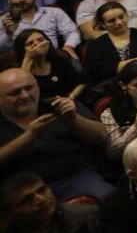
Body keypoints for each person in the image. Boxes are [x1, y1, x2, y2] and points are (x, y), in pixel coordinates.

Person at [0, 69, 112, 201]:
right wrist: (29, 136)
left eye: (29, 88)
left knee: (110, 201)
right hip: (21, 191)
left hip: (75, 178)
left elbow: (101, 137)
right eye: (15, 93)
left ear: (37, 86)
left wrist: (74, 118)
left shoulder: (58, 105)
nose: (25, 95)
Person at [84, 1, 137, 89]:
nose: (119, 22)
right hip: (112, 89)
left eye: (121, 17)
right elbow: (100, 72)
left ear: (127, 15)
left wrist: (120, 66)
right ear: (103, 24)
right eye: (111, 21)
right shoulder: (95, 46)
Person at [0, 0, 79, 59]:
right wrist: (8, 35)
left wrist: (68, 46)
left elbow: (72, 32)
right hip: (20, 62)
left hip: (52, 58)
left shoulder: (54, 13)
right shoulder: (3, 21)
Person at [13, 29, 84, 101]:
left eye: (41, 40)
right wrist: (28, 58)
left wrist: (70, 98)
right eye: (30, 43)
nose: (37, 44)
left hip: (66, 102)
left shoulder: (59, 61)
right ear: (22, 49)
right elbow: (22, 90)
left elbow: (81, 83)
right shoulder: (16, 69)